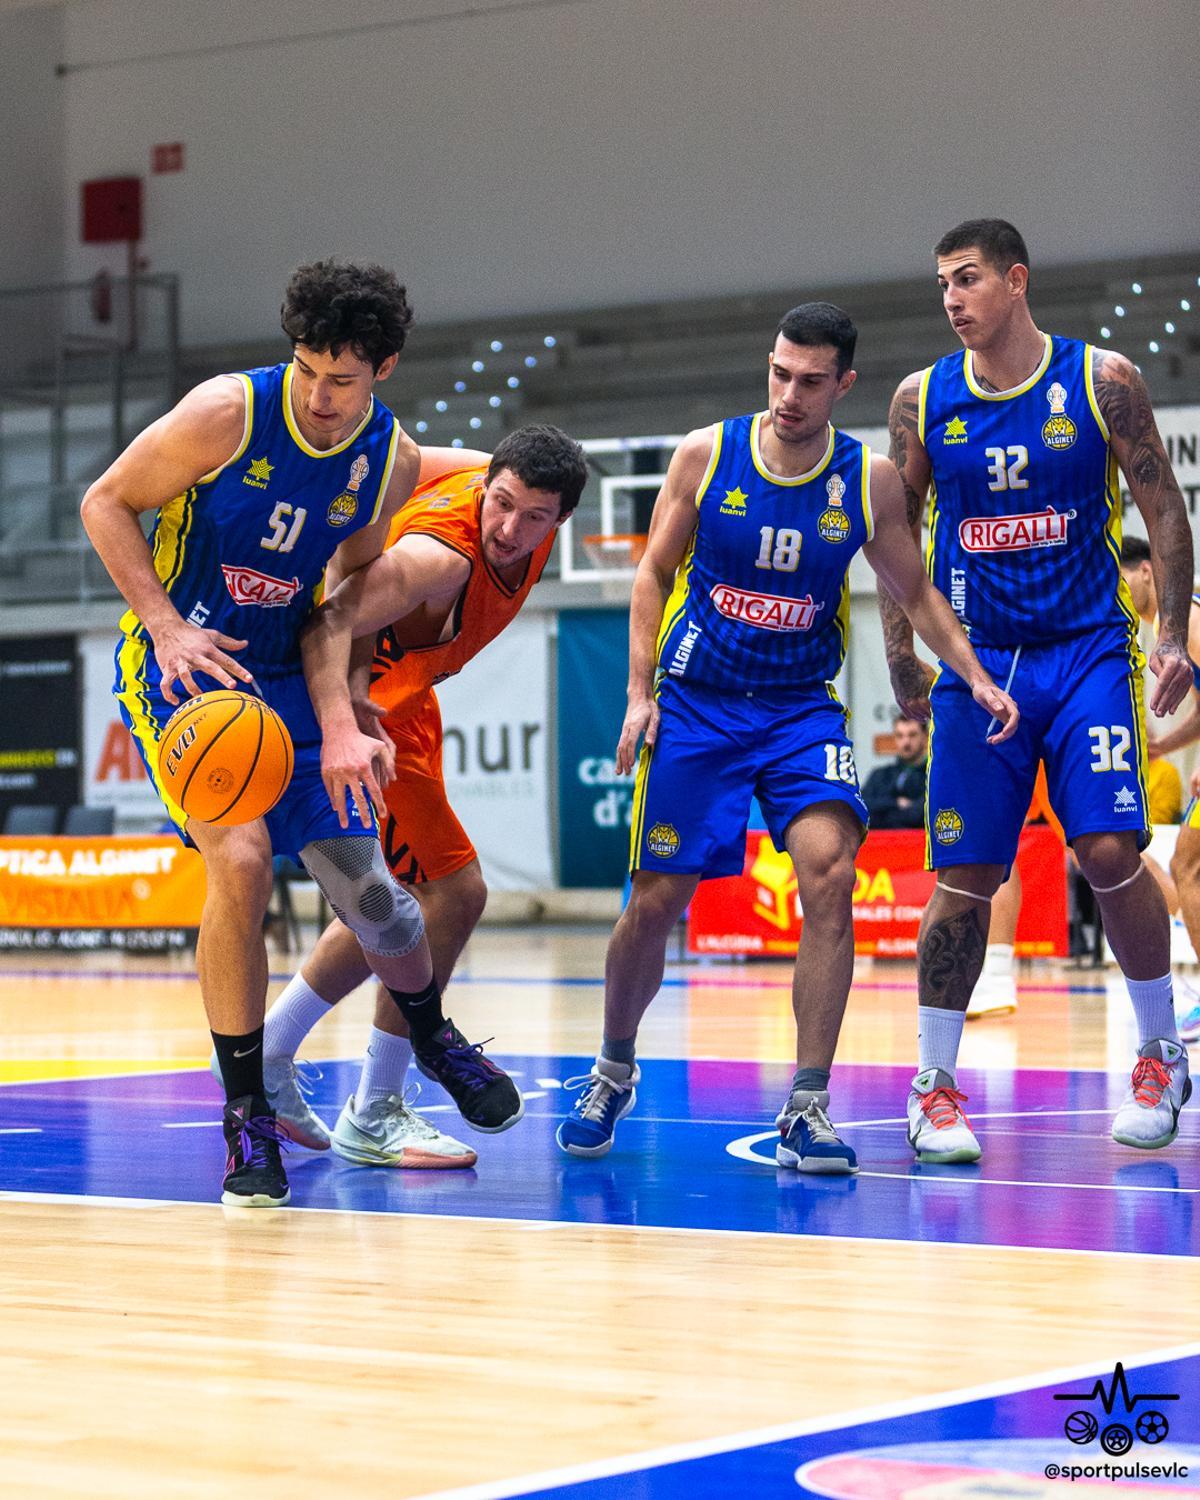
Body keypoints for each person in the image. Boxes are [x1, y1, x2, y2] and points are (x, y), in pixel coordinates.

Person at [82, 260, 515, 1208]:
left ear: (384, 369)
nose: (320, 395)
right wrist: (163, 623)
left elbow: (344, 609)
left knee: (382, 905)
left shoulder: (387, 458)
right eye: (309, 370)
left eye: (342, 378)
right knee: (236, 861)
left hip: (288, 673)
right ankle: (247, 1115)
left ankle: (430, 1028)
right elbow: (104, 503)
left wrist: (344, 707)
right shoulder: (226, 412)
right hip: (189, 674)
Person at [555, 302, 1018, 1173]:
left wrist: (975, 673)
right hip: (698, 702)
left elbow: (916, 593)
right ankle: (613, 1067)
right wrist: (635, 692)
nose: (789, 394)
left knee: (831, 873)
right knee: (655, 901)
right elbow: (654, 569)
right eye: (779, 373)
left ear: (843, 384)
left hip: (801, 707)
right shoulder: (707, 453)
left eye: (810, 381)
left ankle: (808, 1105)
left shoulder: (868, 480)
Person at [880, 219, 1195, 1164]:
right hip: (981, 666)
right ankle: (933, 1084)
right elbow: (894, 537)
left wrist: (1171, 633)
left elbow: (1164, 507)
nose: (950, 297)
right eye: (941, 282)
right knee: (966, 874)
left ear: (1015, 281)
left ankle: (1158, 1051)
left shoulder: (1103, 381)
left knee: (1106, 844)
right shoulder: (921, 399)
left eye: (967, 278)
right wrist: (904, 654)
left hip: (1090, 648)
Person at [255, 426, 589, 1166]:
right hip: (358, 708)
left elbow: (391, 462)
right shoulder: (440, 558)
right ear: (489, 489)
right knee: (452, 894)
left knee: (399, 902)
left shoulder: (494, 479)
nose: (510, 528)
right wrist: (343, 721)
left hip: (404, 703)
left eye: (533, 517)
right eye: (500, 505)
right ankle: (372, 1105)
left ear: (559, 521)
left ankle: (273, 1060)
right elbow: (331, 619)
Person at [1120, 534, 1200, 1041]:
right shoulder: (1157, 629)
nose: (1120, 595)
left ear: (1147, 571)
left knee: (1186, 863)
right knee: (1186, 863)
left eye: (1123, 582)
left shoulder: (1186, 619)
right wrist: (1162, 747)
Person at [861, 712, 928, 829]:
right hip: (880, 846)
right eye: (900, 735)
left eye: (912, 735)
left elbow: (921, 815)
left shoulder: (933, 777)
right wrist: (896, 803)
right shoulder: (880, 775)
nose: (906, 742)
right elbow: (862, 807)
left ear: (925, 736)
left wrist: (882, 813)